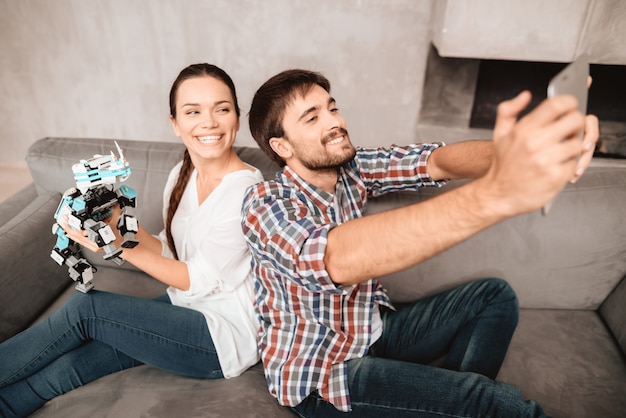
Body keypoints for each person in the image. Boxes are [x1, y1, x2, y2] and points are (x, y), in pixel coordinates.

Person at [241, 69, 599, 417]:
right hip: (324, 371)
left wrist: (513, 154)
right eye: (311, 117)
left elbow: (435, 161)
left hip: (373, 332)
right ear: (281, 145)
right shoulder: (265, 202)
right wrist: (494, 193)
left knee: (494, 296)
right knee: (494, 403)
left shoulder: (352, 170)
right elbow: (335, 258)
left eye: (332, 108)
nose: (334, 122)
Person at [0, 63, 264, 417]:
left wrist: (114, 243)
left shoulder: (248, 190)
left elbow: (197, 278)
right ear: (175, 122)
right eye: (193, 111)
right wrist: (112, 222)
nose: (209, 122)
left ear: (236, 115)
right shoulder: (181, 175)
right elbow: (169, 251)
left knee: (86, 309)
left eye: (222, 109)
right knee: (73, 364)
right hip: (184, 308)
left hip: (223, 336)